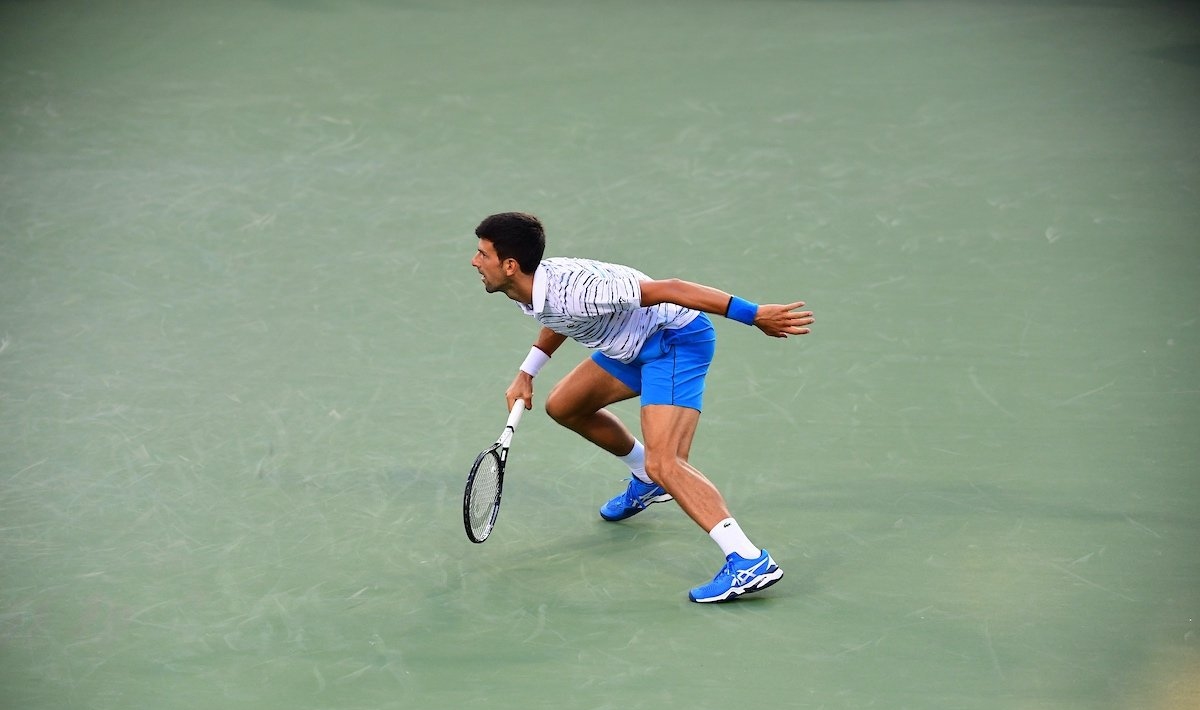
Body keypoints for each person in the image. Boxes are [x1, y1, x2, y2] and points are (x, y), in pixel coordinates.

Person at [470, 212, 814, 603]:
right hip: (628, 346)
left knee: (666, 463)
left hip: (672, 341)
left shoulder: (583, 290)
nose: (475, 262)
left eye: (483, 254)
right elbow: (558, 317)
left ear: (510, 266)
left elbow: (672, 288)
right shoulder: (531, 289)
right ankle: (644, 478)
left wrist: (753, 315)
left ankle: (748, 559)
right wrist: (526, 373)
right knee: (565, 405)